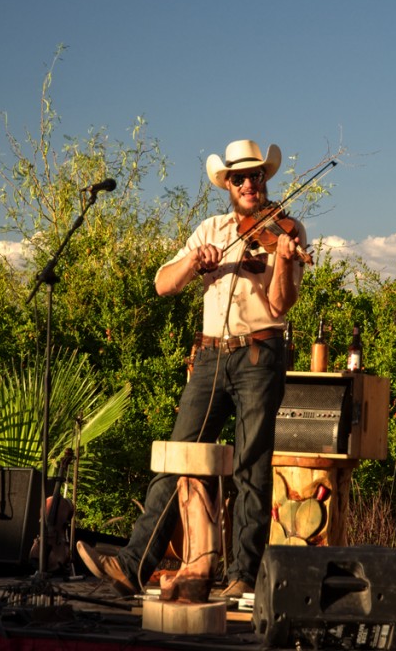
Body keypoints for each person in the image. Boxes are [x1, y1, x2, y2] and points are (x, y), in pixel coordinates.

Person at [77, 139, 307, 598]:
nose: (248, 183)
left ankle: (244, 574)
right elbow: (164, 284)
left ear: (265, 180)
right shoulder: (211, 228)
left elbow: (281, 304)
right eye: (238, 177)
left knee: (251, 467)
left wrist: (282, 258)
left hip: (260, 353)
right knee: (178, 456)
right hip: (209, 356)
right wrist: (193, 261)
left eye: (255, 176)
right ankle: (133, 563)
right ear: (227, 183)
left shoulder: (288, 229)